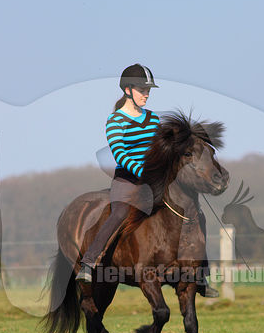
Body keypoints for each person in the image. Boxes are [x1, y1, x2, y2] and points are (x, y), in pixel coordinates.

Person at [76, 63, 218, 297]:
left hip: (154, 182)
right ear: (128, 90)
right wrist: (142, 171)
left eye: (148, 90)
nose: (147, 94)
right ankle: (89, 262)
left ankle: (201, 273)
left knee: (195, 212)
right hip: (128, 181)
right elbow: (119, 153)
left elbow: (162, 149)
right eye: (143, 89)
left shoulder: (153, 119)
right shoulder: (115, 121)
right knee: (120, 213)